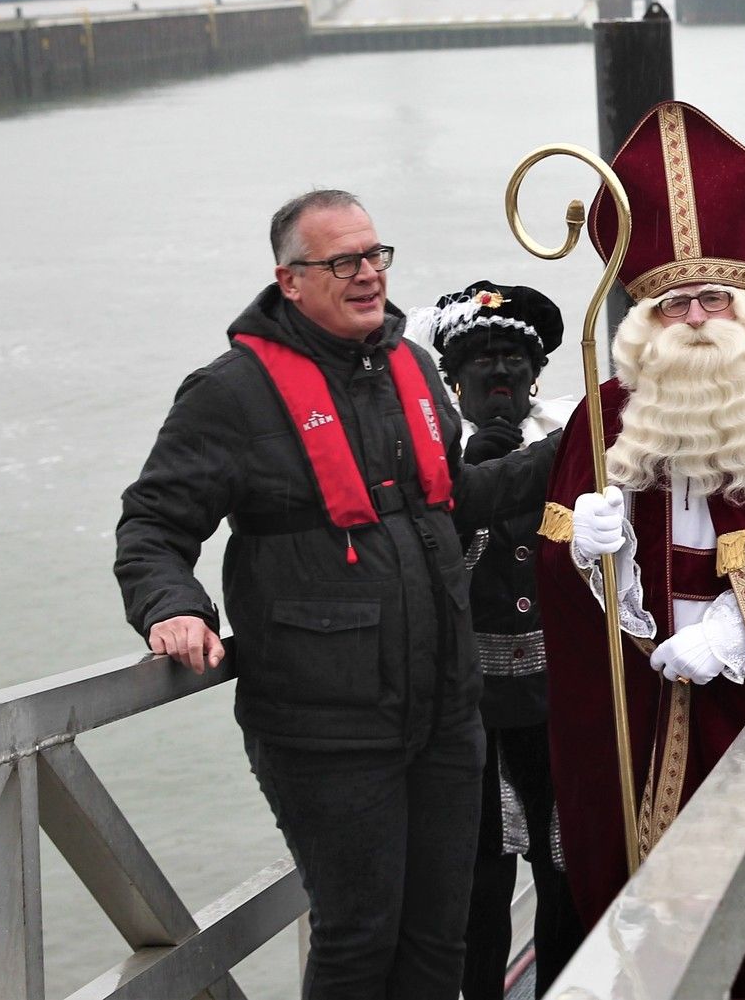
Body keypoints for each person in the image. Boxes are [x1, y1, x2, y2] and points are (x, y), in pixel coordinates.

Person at [113, 190, 560, 999]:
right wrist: (172, 606)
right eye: (342, 261)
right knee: (359, 936)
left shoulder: (416, 371)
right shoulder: (231, 392)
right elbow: (152, 522)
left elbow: (452, 502)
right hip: (326, 729)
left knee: (437, 935)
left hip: (447, 718)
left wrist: (575, 445)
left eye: (375, 255)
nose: (366, 275)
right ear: (289, 279)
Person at [532, 101, 745, 985]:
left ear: (743, 308)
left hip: (744, 701)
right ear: (643, 319)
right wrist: (594, 560)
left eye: (715, 296)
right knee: (634, 900)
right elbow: (560, 589)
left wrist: (732, 629)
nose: (699, 316)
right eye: (677, 302)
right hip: (632, 702)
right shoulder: (600, 420)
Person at [416, 281, 584, 999]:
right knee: (477, 881)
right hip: (465, 711)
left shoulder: (577, 446)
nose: (501, 376)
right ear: (452, 382)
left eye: (515, 360)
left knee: (565, 867)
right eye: (482, 362)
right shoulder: (424, 460)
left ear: (537, 371)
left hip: (559, 703)